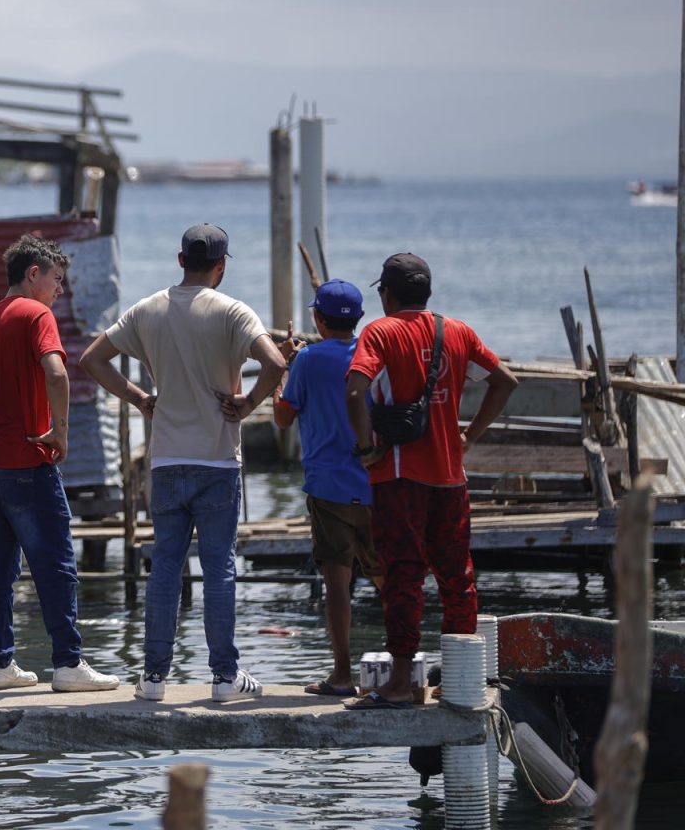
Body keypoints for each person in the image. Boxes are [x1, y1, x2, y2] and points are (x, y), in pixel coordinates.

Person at [79, 223, 292, 702]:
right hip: (217, 461)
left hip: (166, 460)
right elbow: (276, 363)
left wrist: (138, 398)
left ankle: (153, 679)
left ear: (180, 260)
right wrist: (249, 404)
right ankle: (223, 678)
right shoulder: (233, 311)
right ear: (220, 266)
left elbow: (92, 359)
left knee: (164, 569)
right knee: (219, 569)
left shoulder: (147, 309)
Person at [343, 253, 517, 710]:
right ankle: (460, 680)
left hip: (399, 476)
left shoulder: (380, 332)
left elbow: (355, 390)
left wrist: (365, 449)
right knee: (457, 577)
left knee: (403, 576)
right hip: (449, 478)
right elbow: (504, 381)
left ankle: (401, 682)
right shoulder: (457, 331)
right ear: (428, 293)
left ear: (386, 294)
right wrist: (469, 435)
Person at [0, 234, 119, 693]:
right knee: (55, 563)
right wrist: (62, 429)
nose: (60, 290)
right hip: (27, 460)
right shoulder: (37, 314)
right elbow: (56, 371)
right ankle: (69, 663)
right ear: (33, 273)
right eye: (57, 279)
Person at [271, 278, 383, 698]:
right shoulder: (373, 355)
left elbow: (283, 419)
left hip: (327, 488)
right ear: (358, 319)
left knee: (337, 583)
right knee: (389, 579)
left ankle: (341, 674)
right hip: (375, 484)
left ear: (317, 318)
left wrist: (286, 370)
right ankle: (402, 669)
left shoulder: (308, 360)